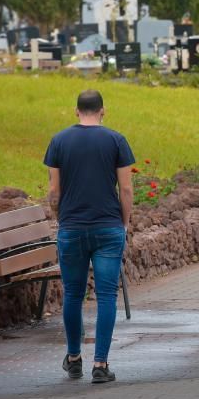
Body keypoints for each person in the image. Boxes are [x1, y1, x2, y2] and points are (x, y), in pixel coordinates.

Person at [44, 90, 135, 383]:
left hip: (71, 228)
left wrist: (62, 220)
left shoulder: (59, 141)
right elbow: (127, 190)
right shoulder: (116, 140)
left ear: (76, 111)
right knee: (107, 295)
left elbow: (54, 192)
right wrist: (123, 223)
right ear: (103, 111)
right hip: (108, 228)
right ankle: (100, 364)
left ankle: (73, 359)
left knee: (73, 294)